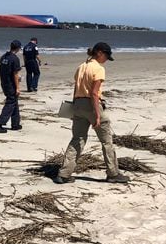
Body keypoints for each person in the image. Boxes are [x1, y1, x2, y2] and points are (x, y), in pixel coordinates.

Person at [54, 42, 129, 184]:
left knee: (77, 139)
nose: (106, 59)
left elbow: (76, 90)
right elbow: (94, 94)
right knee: (107, 141)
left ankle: (64, 174)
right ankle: (113, 173)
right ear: (100, 53)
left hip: (78, 104)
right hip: (92, 105)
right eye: (106, 56)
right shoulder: (98, 69)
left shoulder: (81, 67)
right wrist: (97, 115)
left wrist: (74, 107)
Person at [0, 40, 22, 133]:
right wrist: (17, 87)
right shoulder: (14, 59)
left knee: (14, 102)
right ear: (18, 48)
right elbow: (15, 74)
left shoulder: (4, 57)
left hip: (4, 82)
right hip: (10, 84)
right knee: (10, 103)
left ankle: (15, 124)